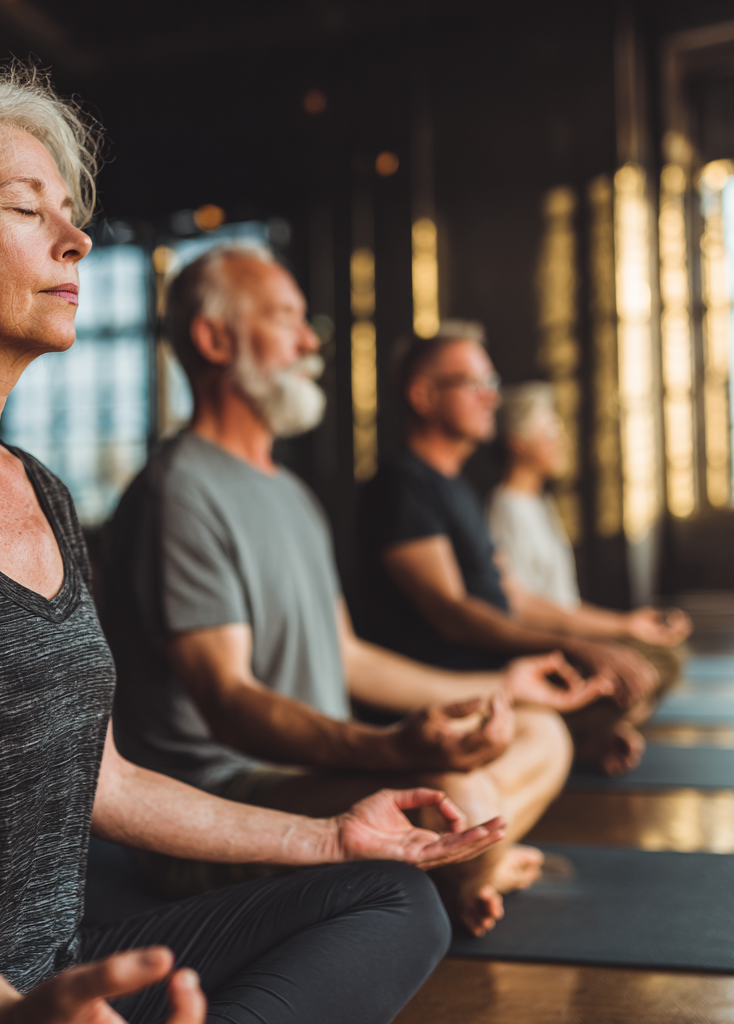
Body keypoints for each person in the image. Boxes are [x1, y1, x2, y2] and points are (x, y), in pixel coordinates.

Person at [0, 49, 511, 1024]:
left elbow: (101, 777)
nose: (77, 239)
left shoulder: (43, 493)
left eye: (69, 210)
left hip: (45, 973)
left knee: (390, 895)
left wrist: (336, 837)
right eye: (25, 209)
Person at [104, 244, 611, 939]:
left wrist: (507, 683)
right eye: (286, 318)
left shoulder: (294, 495)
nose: (311, 341)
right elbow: (230, 703)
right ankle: (463, 865)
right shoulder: (178, 492)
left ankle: (462, 867)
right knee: (458, 795)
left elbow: (349, 658)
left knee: (542, 732)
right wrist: (391, 752)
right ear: (214, 338)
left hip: (318, 774)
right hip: (227, 802)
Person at [356, 327, 691, 778]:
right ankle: (563, 735)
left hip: (510, 665)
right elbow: (450, 611)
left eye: (491, 384)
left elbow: (516, 597)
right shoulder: (403, 485)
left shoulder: (458, 489)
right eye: (474, 384)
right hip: (463, 682)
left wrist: (619, 628)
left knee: (654, 655)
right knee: (644, 667)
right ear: (423, 395)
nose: (491, 398)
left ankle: (573, 736)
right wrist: (572, 646)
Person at [490, 381, 690, 642]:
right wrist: (622, 627)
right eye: (551, 432)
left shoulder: (540, 504)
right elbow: (524, 609)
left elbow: (563, 603)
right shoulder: (508, 512)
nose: (562, 442)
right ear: (518, 443)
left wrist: (631, 625)